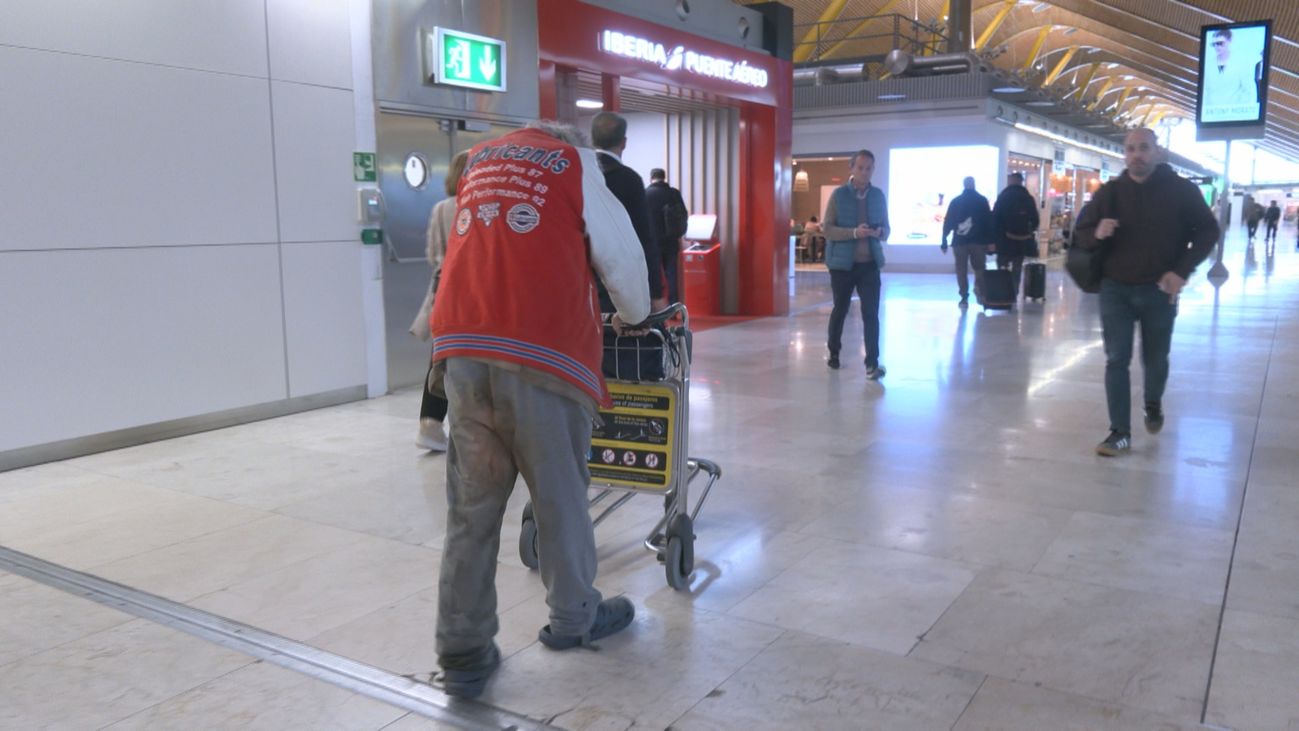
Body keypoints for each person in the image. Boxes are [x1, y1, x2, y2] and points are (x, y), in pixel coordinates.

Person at [428, 121, 650, 698]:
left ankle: (462, 651)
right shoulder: (575, 163)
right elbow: (627, 275)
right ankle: (575, 616)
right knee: (560, 498)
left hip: (462, 352)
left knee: (470, 512)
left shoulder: (478, 163)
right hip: (541, 355)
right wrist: (630, 314)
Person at [1074, 128, 1219, 457]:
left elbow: (1209, 230)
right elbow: (1082, 234)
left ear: (1157, 152)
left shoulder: (1181, 191)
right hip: (1115, 289)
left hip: (1158, 290)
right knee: (1116, 359)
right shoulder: (1110, 193)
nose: (1136, 155)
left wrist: (1181, 271)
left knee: (1154, 359)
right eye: (1129, 149)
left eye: (1143, 148)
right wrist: (1097, 232)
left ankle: (1152, 403)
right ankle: (1119, 433)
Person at [409, 151, 469, 452]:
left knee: (442, 356)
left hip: (445, 290)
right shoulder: (485, 205)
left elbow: (433, 254)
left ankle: (430, 423)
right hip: (475, 293)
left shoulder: (442, 208)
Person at [591, 111, 667, 312]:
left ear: (592, 139)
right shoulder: (629, 180)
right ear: (624, 142)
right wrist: (655, 292)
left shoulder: (580, 174)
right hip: (620, 281)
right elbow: (644, 237)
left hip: (584, 282)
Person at [823, 149, 889, 379]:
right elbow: (828, 229)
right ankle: (833, 352)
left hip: (869, 264)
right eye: (860, 167)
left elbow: (887, 229)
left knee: (871, 313)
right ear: (851, 168)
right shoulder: (839, 195)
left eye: (869, 168)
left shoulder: (878, 195)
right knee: (840, 309)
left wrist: (880, 232)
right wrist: (853, 232)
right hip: (842, 265)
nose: (864, 172)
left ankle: (872, 363)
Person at [940, 176, 994, 308]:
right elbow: (988, 222)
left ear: (964, 185)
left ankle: (964, 296)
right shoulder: (982, 201)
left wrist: (944, 239)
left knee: (961, 269)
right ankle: (980, 293)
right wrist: (991, 241)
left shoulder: (956, 201)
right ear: (974, 184)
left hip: (959, 241)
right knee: (980, 268)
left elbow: (949, 221)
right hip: (978, 241)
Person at [992, 172, 1040, 300]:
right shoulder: (1028, 198)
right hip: (1022, 240)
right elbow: (1035, 220)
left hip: (1004, 240)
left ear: (1011, 181)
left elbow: (995, 219)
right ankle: (1014, 292)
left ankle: (1002, 292)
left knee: (1002, 266)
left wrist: (994, 238)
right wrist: (1029, 232)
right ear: (1021, 182)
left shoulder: (1003, 197)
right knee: (1017, 267)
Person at [645, 167, 689, 304]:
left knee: (654, 273)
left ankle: (656, 304)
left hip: (653, 241)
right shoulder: (674, 193)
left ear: (651, 178)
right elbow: (683, 214)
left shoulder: (646, 194)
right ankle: (673, 304)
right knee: (671, 273)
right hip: (671, 240)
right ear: (664, 177)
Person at [1203, 28, 1257, 112]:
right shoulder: (1208, 65)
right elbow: (1204, 92)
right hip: (1211, 114)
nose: (1217, 47)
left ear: (1229, 41)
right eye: (1214, 44)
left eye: (1220, 43)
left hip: (1233, 112)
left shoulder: (1241, 64)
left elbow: (1249, 91)